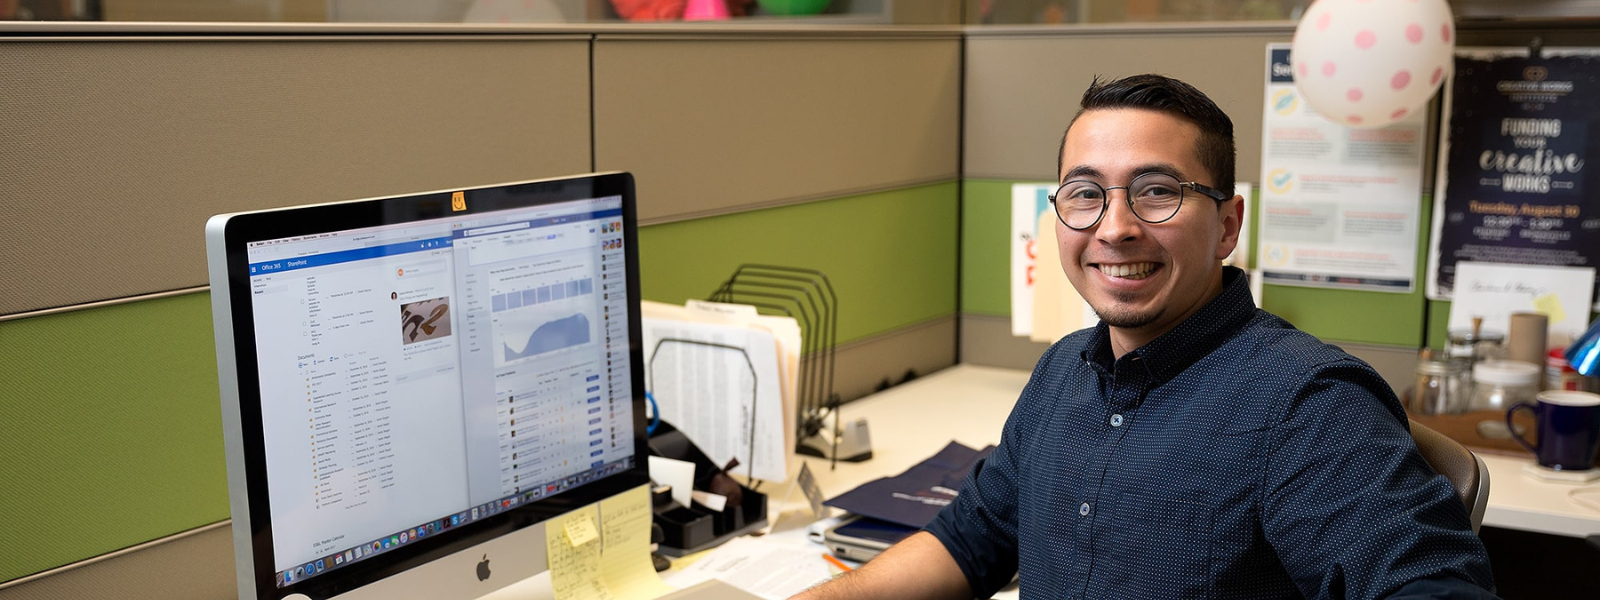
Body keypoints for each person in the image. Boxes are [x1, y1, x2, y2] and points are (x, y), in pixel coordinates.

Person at [792, 75, 1496, 600]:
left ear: (1226, 224)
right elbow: (967, 541)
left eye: (1157, 190)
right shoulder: (1064, 371)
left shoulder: (1306, 406)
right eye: (1085, 192)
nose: (1115, 226)